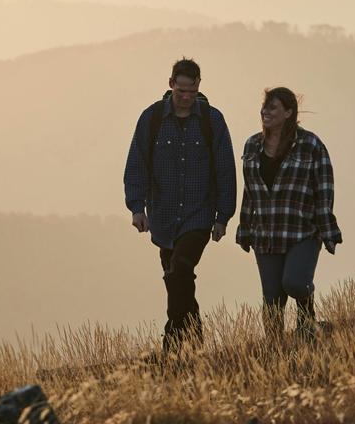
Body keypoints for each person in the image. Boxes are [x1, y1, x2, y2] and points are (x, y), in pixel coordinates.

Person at [123, 57, 237, 352]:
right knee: (175, 277)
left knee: (181, 268)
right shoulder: (152, 119)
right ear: (171, 84)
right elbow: (136, 164)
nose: (186, 97)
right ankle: (195, 333)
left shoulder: (213, 120)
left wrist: (223, 217)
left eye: (191, 90)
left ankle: (171, 343)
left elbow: (225, 169)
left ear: (199, 86)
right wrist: (137, 208)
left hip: (199, 214)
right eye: (181, 90)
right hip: (163, 216)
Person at [235, 87, 342, 342]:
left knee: (295, 283)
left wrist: (327, 230)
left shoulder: (311, 145)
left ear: (289, 112)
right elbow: (249, 191)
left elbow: (324, 189)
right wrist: (245, 228)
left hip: (302, 231)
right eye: (264, 106)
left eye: (273, 107)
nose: (265, 111)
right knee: (272, 299)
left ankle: (308, 321)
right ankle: (276, 348)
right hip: (266, 234)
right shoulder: (252, 145)